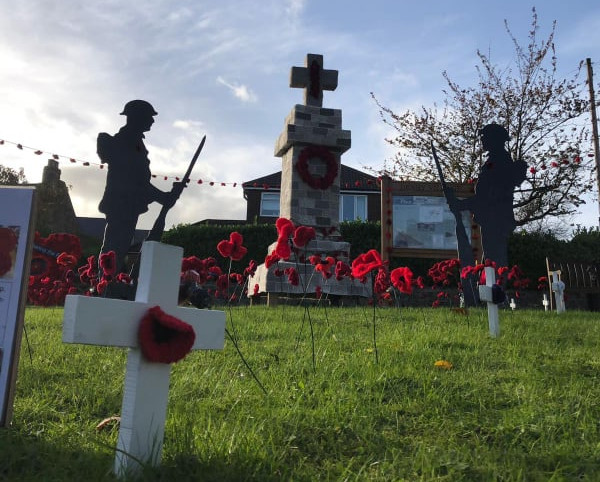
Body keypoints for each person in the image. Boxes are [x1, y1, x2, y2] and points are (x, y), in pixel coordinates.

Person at [97, 100, 183, 274]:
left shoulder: (134, 142)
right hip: (121, 204)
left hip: (127, 205)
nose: (152, 121)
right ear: (137, 118)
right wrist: (164, 197)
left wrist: (164, 197)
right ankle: (104, 285)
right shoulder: (127, 141)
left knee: (118, 248)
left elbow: (139, 182)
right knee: (114, 249)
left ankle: (107, 284)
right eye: (149, 117)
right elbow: (136, 181)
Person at [447, 123, 527, 267]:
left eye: (485, 137)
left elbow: (487, 198)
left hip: (495, 220)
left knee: (495, 264)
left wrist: (460, 204)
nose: (482, 140)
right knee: (490, 263)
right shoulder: (495, 160)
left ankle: (495, 289)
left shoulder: (499, 161)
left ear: (494, 139)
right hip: (493, 220)